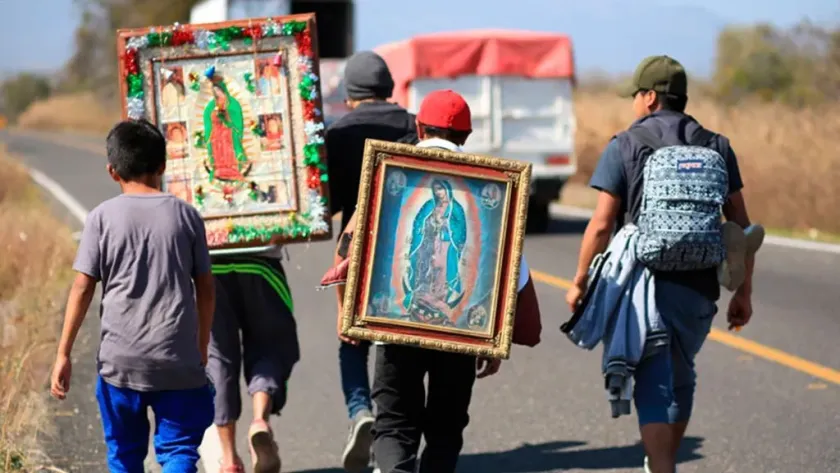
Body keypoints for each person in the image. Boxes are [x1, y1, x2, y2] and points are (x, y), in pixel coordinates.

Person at [334, 90, 542, 473]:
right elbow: (519, 302)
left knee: (395, 426)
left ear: (418, 127)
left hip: (397, 330)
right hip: (458, 338)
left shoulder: (391, 179)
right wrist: (491, 337)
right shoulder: (489, 192)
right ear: (467, 136)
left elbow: (352, 248)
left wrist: (348, 308)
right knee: (445, 431)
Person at [565, 56, 755, 473]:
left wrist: (580, 282)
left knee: (654, 382)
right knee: (679, 372)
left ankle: (662, 465)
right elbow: (741, 229)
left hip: (643, 285)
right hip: (700, 287)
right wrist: (743, 292)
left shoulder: (626, 144)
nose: (633, 103)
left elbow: (600, 226)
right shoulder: (716, 145)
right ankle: (661, 461)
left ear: (650, 97)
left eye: (636, 95)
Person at [50, 119, 216, 473]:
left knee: (124, 456)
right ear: (163, 165)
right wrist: (201, 347)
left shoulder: (100, 219)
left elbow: (82, 286)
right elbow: (205, 287)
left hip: (119, 364)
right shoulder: (187, 216)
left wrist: (63, 353)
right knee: (179, 450)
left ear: (112, 171)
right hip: (177, 360)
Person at [324, 50, 417, 473]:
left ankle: (361, 411)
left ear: (349, 95)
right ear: (390, 88)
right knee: (405, 350)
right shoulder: (415, 125)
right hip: (411, 252)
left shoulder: (337, 133)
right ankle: (397, 442)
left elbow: (322, 209)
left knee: (351, 337)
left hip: (355, 251)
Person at [206, 245, 300, 473]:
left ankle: (229, 460)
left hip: (211, 264)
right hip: (260, 261)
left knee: (218, 359)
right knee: (269, 346)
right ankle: (259, 420)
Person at [204, 72, 249, 182]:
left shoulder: (233, 103)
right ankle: (219, 169)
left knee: (228, 150)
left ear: (223, 89)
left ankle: (231, 169)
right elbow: (208, 120)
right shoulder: (211, 105)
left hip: (228, 133)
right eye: (215, 91)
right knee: (218, 150)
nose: (217, 93)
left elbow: (237, 121)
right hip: (216, 134)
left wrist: (226, 119)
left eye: (218, 90)